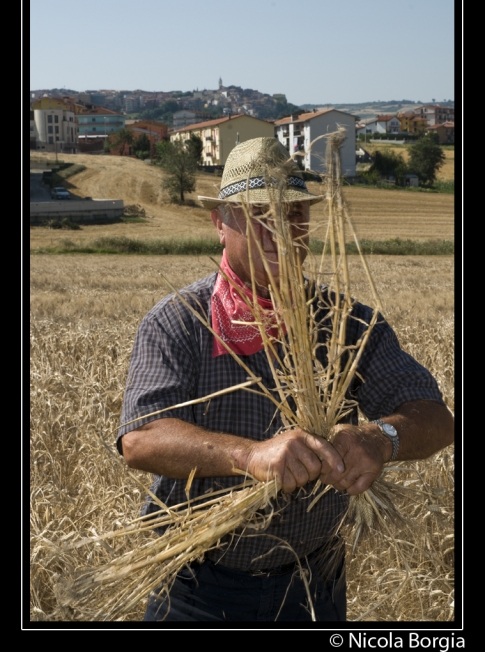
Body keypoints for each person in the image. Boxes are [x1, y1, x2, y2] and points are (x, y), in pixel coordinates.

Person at [117, 137, 454, 623]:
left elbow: (436, 418)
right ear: (220, 224)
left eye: (294, 214)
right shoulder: (179, 321)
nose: (281, 229)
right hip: (194, 589)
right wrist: (250, 456)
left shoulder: (346, 324)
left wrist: (379, 439)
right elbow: (142, 440)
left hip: (313, 588)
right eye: (260, 215)